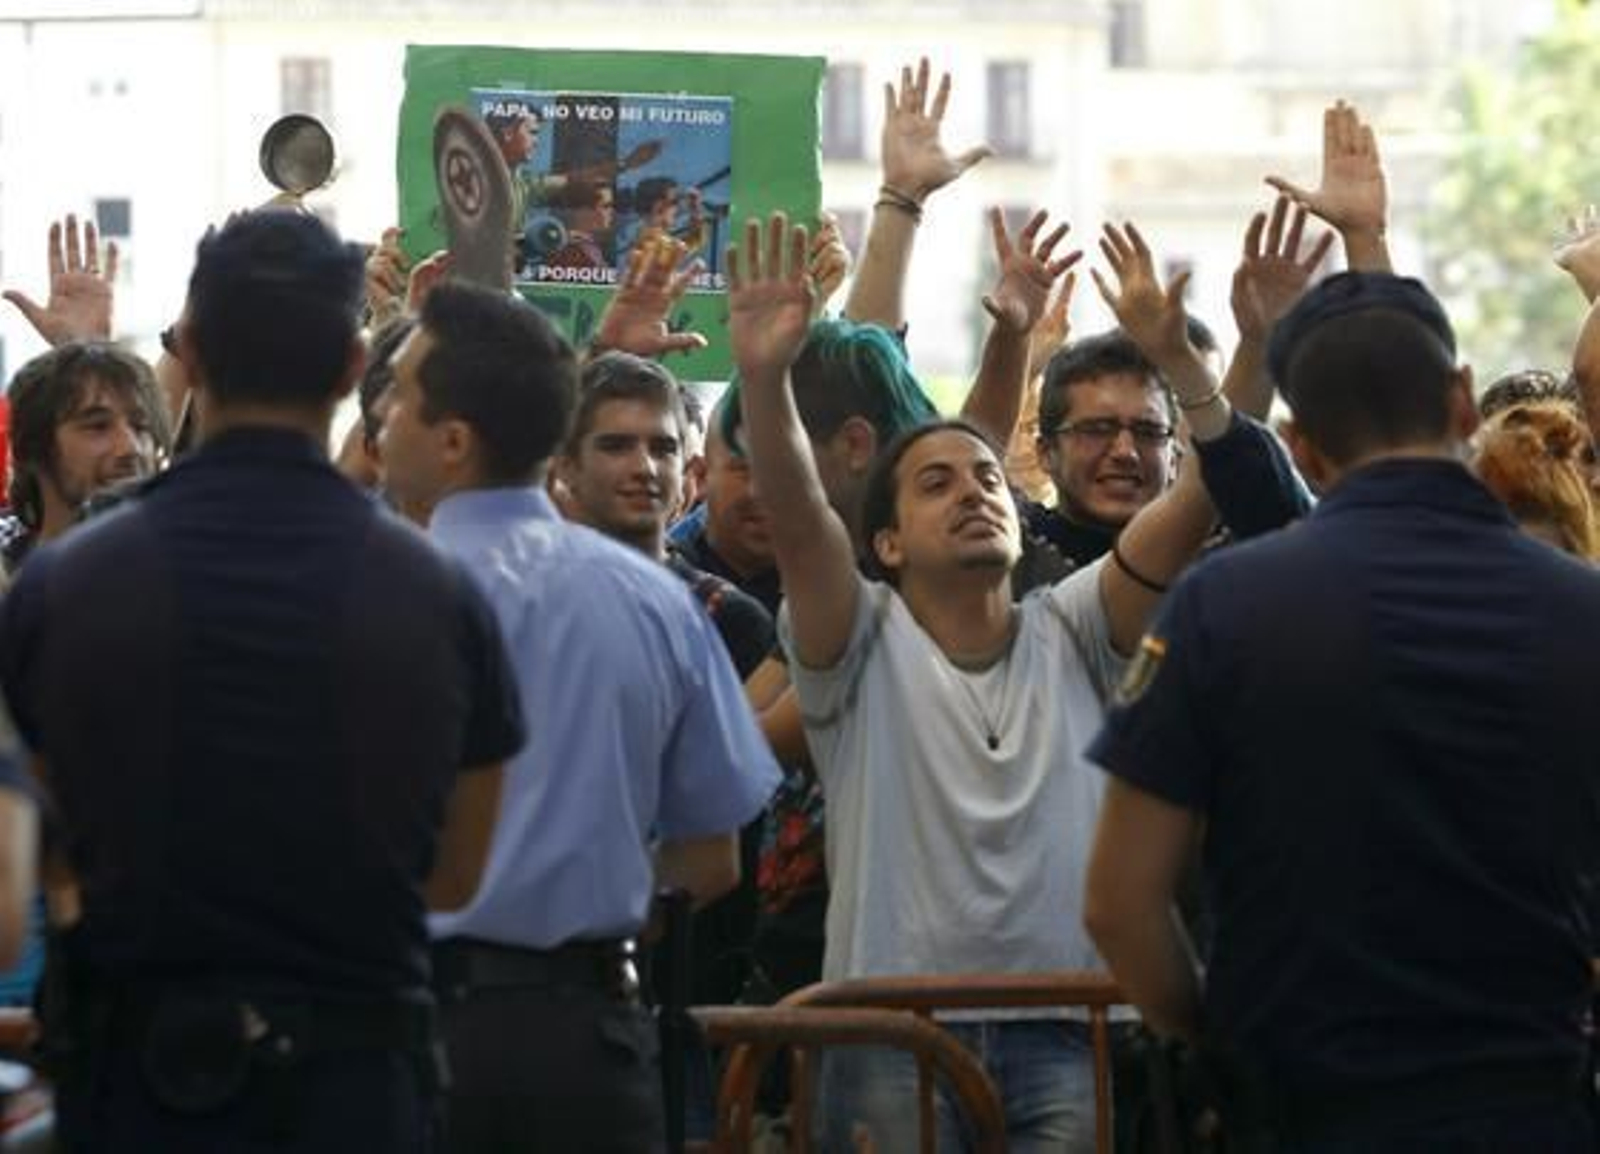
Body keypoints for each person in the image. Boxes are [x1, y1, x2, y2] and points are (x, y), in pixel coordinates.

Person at [0, 210, 522, 1152]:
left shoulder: (61, 585)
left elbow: (30, 862)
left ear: (189, 355)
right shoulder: (441, 594)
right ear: (352, 367)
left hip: (138, 1086)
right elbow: (454, 876)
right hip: (357, 1093)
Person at [730, 210, 1229, 1151]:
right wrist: (762, 377)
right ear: (884, 543)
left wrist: (1213, 362)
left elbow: (1207, 490)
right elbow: (797, 511)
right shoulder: (857, 643)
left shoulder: (1079, 623)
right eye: (934, 483)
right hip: (886, 1036)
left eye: (987, 480)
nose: (972, 492)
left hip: (1066, 1029)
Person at [1085, 271, 1600, 1150]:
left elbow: (1119, 902)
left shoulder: (1223, 608)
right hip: (1527, 1106)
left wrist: (1215, 1034)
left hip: (1303, 1106)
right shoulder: (1580, 611)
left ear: (1300, 445)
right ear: (1464, 399)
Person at [378, 280, 781, 1151]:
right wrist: (591, 902)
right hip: (585, 1039)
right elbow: (710, 858)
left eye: (398, 397)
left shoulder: (364, 597)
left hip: (399, 1032)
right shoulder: (656, 601)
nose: (380, 420)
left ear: (453, 440)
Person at [0, 342, 168, 575]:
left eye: (141, 427)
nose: (131, 448)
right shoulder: (7, 565)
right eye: (98, 427)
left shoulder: (185, 565)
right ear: (32, 449)